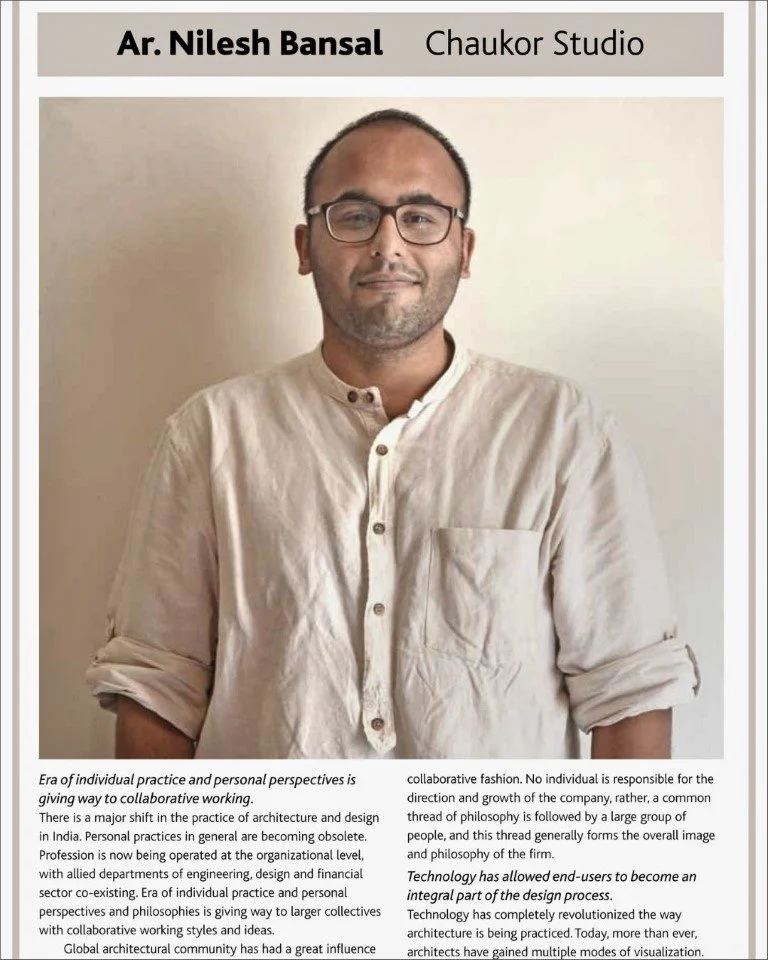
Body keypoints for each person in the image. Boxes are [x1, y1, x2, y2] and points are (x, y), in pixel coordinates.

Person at [86, 109, 699, 760]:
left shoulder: (559, 430)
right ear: (304, 246)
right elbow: (157, 689)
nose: (388, 244)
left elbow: (629, 689)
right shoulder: (211, 436)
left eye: (421, 216)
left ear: (463, 251)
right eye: (353, 216)